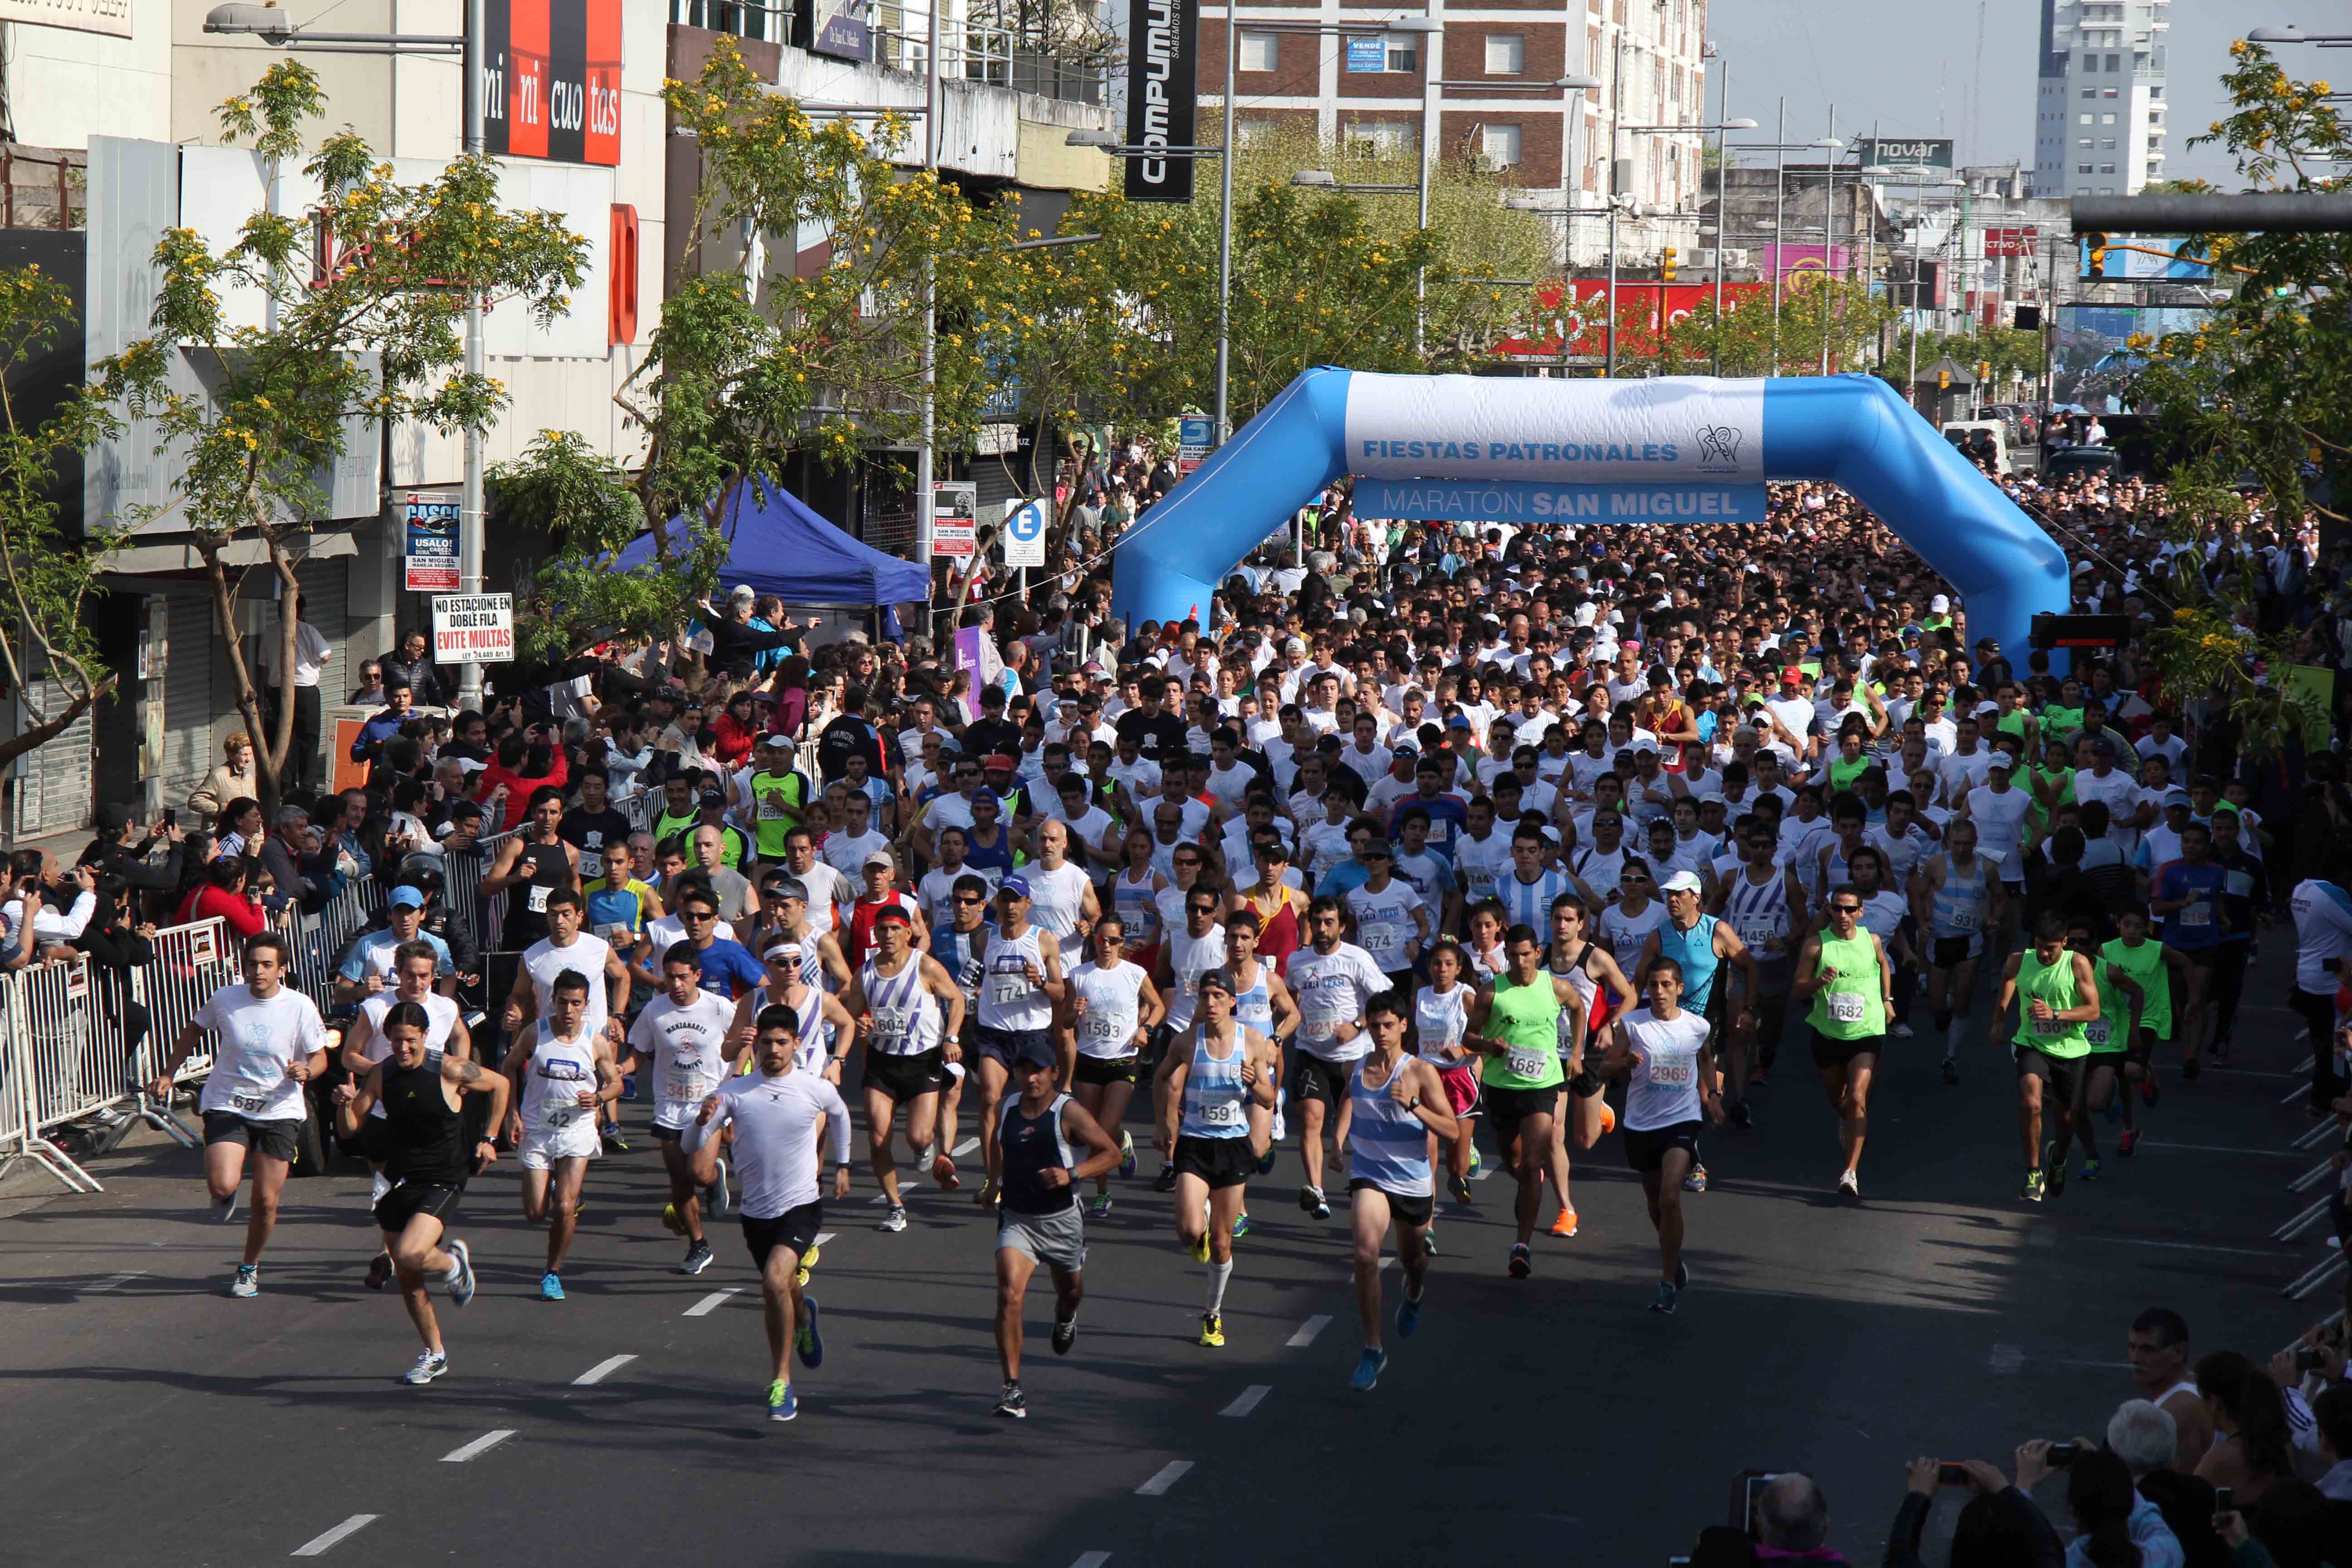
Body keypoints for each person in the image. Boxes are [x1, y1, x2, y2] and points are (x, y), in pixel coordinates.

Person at [683, 1004, 853, 1423]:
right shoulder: (735, 1092)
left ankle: (782, 1381)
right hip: (756, 1213)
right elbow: (691, 1146)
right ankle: (805, 1315)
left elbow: (841, 1114)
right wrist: (700, 1120)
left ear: (796, 1044)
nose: (773, 1050)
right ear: (755, 1044)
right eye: (766, 1043)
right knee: (783, 1287)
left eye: (782, 1043)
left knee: (773, 1280)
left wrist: (843, 1166)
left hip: (801, 1206)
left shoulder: (812, 1087)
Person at [145, 933, 330, 1298]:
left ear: (282, 969)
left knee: (265, 1200)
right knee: (223, 1185)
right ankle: (225, 1194)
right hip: (229, 1103)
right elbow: (194, 1031)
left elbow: (320, 1056)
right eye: (252, 964)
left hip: (279, 1110)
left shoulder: (300, 1006)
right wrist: (168, 1074)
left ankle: (249, 1268)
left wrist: (307, 1072)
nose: (258, 972)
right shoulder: (226, 998)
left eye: (266, 965)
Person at [332, 1001, 506, 1384]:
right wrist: (345, 1105)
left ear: (425, 1037)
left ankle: (454, 1267)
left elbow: (501, 1084)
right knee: (409, 1277)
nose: (403, 1049)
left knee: (410, 1254)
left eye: (410, 1041)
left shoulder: (449, 1069)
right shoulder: (381, 1074)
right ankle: (435, 1353)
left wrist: (490, 1138)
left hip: (444, 1177)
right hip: (399, 1179)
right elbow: (350, 1129)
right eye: (396, 1042)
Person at [988, 1037, 1121, 1419]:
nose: (1031, 1078)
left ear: (1053, 1073)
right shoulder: (1008, 1107)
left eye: (1039, 1071)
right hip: (1018, 1220)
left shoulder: (1070, 1111)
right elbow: (1001, 1150)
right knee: (1009, 1294)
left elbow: (1110, 1153)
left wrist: (1073, 1174)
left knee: (1071, 1292)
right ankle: (1011, 1388)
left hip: (1062, 1221)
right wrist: (991, 1187)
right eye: (1024, 1070)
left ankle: (1066, 1317)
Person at [339, 940, 471, 1290]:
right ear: (396, 972)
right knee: (387, 1185)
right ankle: (398, 1250)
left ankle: (402, 1251)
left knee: (422, 1182)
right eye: (410, 975)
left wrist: (458, 1077)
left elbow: (461, 1039)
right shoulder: (376, 1007)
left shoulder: (445, 1008)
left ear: (434, 975)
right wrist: (386, 1074)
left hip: (432, 1115)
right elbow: (350, 1055)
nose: (416, 982)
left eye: (424, 975)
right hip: (384, 1111)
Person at [1156, 967, 1277, 1349]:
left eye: (1218, 997)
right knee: (1189, 1232)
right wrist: (1164, 1124)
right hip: (1194, 1142)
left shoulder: (1253, 1042)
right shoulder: (1186, 1042)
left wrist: (1253, 1083)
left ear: (1232, 1002)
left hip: (1233, 1146)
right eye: (1205, 997)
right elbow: (1162, 1078)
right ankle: (1202, 1219)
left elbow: (1269, 1099)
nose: (1210, 1004)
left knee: (1222, 1245)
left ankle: (1212, 1315)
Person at [1343, 989, 1456, 1392]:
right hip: (1370, 1174)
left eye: (1388, 1025)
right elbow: (1348, 1100)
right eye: (1374, 1026)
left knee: (1413, 1259)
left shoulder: (1421, 1072)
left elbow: (1452, 1130)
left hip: (1411, 1180)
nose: (1381, 1033)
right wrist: (1338, 1142)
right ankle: (1373, 1348)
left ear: (1404, 1026)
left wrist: (1414, 1106)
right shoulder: (1357, 1068)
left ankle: (1415, 1291)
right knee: (1365, 1255)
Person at [1592, 955, 1720, 1313]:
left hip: (1682, 1122)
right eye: (1653, 985)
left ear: (1679, 989)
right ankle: (1672, 1257)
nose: (1660, 992)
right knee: (1654, 1203)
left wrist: (1714, 1097)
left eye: (1667, 985)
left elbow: (1706, 1059)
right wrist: (1625, 1063)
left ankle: (1666, 1283)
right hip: (1641, 1123)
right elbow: (1603, 1070)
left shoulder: (1697, 1026)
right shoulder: (1632, 1025)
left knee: (1669, 1199)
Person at [1462, 923, 1583, 1279]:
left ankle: (1522, 1246)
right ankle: (1531, 1181)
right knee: (1514, 1161)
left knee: (1531, 1161)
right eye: (1512, 955)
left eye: (1525, 954)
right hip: (1502, 1087)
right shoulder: (1492, 992)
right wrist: (1488, 1045)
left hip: (1543, 1085)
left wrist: (1575, 1052)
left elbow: (1579, 1008)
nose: (1519, 962)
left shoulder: (1556, 987)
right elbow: (1468, 1035)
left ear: (1538, 954)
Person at [838, 906, 967, 1229]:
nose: (889, 935)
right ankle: (895, 1206)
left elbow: (957, 999)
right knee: (878, 1136)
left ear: (909, 934)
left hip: (923, 1061)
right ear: (875, 935)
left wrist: (951, 1036)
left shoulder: (924, 966)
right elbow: (853, 1016)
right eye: (882, 930)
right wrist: (861, 1025)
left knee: (919, 1137)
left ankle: (924, 1149)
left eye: (896, 929)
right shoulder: (865, 974)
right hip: (883, 1063)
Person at [501, 968, 621, 1301]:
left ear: (586, 1005)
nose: (568, 1011)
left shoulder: (595, 1041)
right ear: (552, 1001)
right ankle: (555, 1186)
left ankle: (552, 1272)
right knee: (535, 1214)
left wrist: (598, 1098)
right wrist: (511, 1113)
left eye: (576, 1003)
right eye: (563, 1002)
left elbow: (616, 1084)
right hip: (539, 1130)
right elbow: (509, 1067)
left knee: (566, 1208)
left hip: (577, 1130)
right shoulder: (534, 1034)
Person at [626, 945, 740, 1276]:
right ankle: (698, 1245)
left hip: (708, 1104)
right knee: (679, 1184)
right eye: (670, 977)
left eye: (683, 978)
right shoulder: (655, 1012)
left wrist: (735, 1078)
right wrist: (623, 1070)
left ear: (697, 976)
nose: (676, 984)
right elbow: (640, 1053)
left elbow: (744, 1041)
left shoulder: (719, 1008)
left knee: (698, 1173)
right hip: (669, 1106)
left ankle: (715, 1176)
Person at [1281, 895, 1388, 1220]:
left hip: (1353, 1056)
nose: (1323, 929)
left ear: (1342, 926)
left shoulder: (1357, 959)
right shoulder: (1297, 962)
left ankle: (1350, 1160)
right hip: (1311, 1051)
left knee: (1359, 1123)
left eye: (1330, 922)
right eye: (1317, 922)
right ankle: (1317, 1190)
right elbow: (1288, 997)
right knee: (1311, 1119)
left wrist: (1357, 1026)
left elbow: (1384, 1001)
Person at [969, 875, 1067, 1210]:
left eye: (1017, 900)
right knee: (989, 1100)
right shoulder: (985, 939)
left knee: (1034, 1106)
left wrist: (1040, 982)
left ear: (1028, 904)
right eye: (1005, 900)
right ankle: (992, 1179)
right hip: (993, 1032)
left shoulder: (1044, 941)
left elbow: (1060, 992)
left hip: (1032, 1034)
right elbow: (978, 978)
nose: (1010, 907)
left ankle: (1037, 1169)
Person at [1792, 883, 1894, 1197]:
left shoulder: (1871, 940)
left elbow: (1883, 964)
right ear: (1829, 911)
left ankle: (1850, 1172)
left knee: (1858, 1098)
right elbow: (1798, 989)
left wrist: (1887, 1000)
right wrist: (1818, 982)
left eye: (1851, 909)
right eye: (1838, 908)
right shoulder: (1816, 945)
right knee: (1841, 1099)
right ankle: (1848, 1121)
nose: (1844, 915)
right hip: (1828, 1033)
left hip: (1866, 1031)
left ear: (1861, 912)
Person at [1061, 912, 1164, 1217]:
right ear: (1095, 940)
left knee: (1104, 1128)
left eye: (1114, 940)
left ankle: (1117, 1141)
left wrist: (1146, 1029)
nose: (1107, 945)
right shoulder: (1079, 975)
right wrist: (1074, 1013)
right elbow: (1065, 1021)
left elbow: (1158, 1006)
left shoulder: (1134, 973)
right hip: (1089, 1061)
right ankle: (1104, 1192)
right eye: (1102, 939)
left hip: (1122, 1060)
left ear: (1123, 942)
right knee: (1095, 1133)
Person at [2000, 910, 2105, 1202]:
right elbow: (2008, 978)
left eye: (2052, 948)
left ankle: (2058, 1160)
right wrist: (1999, 1019)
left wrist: (2057, 1014)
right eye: (2041, 946)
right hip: (2032, 1043)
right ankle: (2033, 1172)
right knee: (2032, 1102)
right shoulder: (2021, 960)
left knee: (2066, 1119)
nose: (2046, 954)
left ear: (2065, 942)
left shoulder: (2078, 964)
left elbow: (2093, 1011)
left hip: (2071, 1050)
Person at [1914, 817, 2004, 1084]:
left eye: (1967, 844)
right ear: (1948, 842)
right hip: (1940, 939)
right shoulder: (1937, 864)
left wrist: (1995, 919)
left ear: (1976, 843)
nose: (1961, 849)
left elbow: (2000, 899)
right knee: (1937, 1006)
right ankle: (1944, 1012)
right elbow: (1919, 894)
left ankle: (1951, 1057)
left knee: (1964, 1001)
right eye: (1956, 844)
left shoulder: (1986, 868)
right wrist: (1922, 923)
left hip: (1970, 941)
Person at [2129, 1308, 2220, 1476]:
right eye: (2132, 1348)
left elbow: (2176, 1491)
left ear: (2178, 1352)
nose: (2135, 1358)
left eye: (2147, 1349)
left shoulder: (2175, 1412)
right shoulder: (2195, 1383)